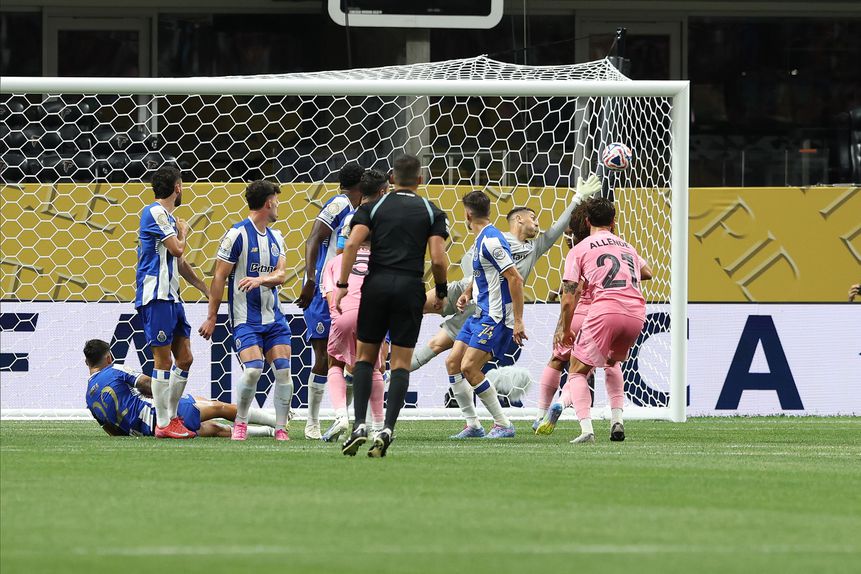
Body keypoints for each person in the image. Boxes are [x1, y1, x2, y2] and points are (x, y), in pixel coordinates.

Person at [412, 174, 602, 374]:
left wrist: (577, 198)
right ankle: (382, 346)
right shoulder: (495, 237)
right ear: (519, 219)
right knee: (412, 304)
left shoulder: (534, 247)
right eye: (533, 218)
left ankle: (390, 374)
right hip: (465, 289)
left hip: (487, 308)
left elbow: (557, 228)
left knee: (438, 348)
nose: (538, 223)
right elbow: (469, 261)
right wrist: (473, 288)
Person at [336, 154, 449, 457]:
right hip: (410, 287)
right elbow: (438, 258)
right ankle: (386, 428)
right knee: (399, 363)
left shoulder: (373, 207)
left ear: (392, 180)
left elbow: (349, 244)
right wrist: (440, 291)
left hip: (377, 286)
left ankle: (359, 424)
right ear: (421, 180)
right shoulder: (431, 210)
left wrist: (343, 286)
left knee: (364, 358)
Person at [534, 199, 652, 434]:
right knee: (611, 364)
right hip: (632, 311)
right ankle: (616, 418)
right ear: (613, 221)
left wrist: (563, 327)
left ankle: (546, 412)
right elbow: (647, 272)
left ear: (585, 222)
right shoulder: (626, 246)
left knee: (563, 362)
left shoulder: (579, 248)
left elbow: (572, 294)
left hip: (591, 312)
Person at [198, 181, 292, 441]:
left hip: (274, 319)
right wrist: (212, 316)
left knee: (283, 371)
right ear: (268, 203)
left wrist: (260, 280)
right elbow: (219, 277)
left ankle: (281, 428)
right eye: (277, 200)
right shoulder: (236, 235)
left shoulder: (277, 237)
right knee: (253, 370)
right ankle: (240, 422)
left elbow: (282, 274)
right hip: (245, 320)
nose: (279, 205)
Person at [135, 165, 209, 439]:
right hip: (155, 295)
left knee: (185, 358)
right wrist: (184, 231)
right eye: (183, 184)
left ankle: (172, 417)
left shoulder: (166, 217)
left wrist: (204, 287)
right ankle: (164, 422)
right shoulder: (155, 212)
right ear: (177, 187)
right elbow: (178, 248)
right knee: (163, 360)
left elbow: (178, 260)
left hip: (172, 297)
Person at [445, 190, 525, 439]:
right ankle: (474, 425)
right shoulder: (480, 238)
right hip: (478, 313)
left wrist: (519, 321)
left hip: (495, 316)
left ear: (467, 214)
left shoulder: (491, 240)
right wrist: (468, 292)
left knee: (469, 367)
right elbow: (485, 273)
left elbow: (515, 278)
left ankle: (503, 424)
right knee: (453, 364)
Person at [319, 170, 390, 442]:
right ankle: (379, 426)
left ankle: (340, 416)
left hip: (345, 314)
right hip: (375, 314)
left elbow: (330, 299)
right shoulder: (380, 260)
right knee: (373, 367)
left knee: (335, 363)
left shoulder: (337, 263)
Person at [84, 340, 275, 438]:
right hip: (160, 415)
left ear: (87, 362)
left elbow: (110, 430)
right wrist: (169, 394)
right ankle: (275, 421)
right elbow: (147, 384)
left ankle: (267, 432)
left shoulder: (88, 398)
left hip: (146, 431)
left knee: (213, 429)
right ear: (109, 357)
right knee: (218, 407)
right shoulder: (115, 370)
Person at [297, 163, 365, 439]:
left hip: (349, 291)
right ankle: (312, 422)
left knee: (353, 359)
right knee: (324, 356)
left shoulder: (361, 211)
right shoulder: (339, 204)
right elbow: (313, 238)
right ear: (359, 184)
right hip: (324, 291)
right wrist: (310, 279)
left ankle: (341, 419)